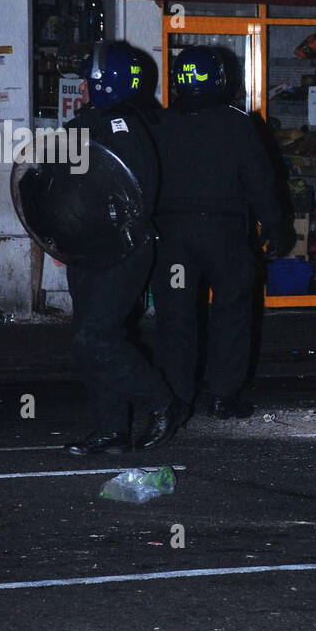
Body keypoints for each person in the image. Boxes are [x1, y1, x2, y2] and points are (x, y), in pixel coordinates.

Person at [65, 42, 187, 454]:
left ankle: (162, 402)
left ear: (102, 82)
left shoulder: (122, 126)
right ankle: (111, 429)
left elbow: (125, 195)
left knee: (92, 338)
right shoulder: (94, 121)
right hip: (91, 247)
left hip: (120, 248)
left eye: (86, 79)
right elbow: (55, 181)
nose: (80, 86)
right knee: (98, 336)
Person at [152, 46, 285, 418]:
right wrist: (274, 226)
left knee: (176, 317)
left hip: (173, 237)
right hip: (224, 235)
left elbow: (140, 181)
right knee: (232, 312)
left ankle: (177, 398)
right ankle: (224, 396)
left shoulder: (157, 124)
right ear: (221, 80)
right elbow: (260, 181)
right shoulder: (237, 123)